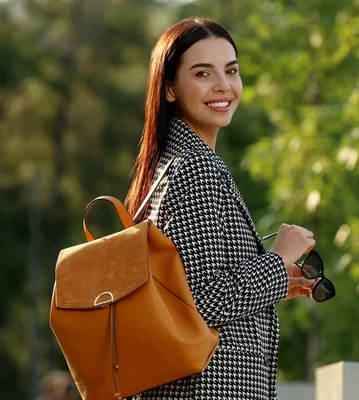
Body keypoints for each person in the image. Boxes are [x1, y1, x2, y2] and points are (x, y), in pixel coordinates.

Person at [124, 17, 317, 400]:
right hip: (208, 389)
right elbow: (204, 302)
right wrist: (279, 259)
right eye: (202, 73)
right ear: (169, 89)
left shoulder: (170, 164)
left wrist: (274, 283)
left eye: (231, 70)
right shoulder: (196, 168)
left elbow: (193, 290)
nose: (223, 86)